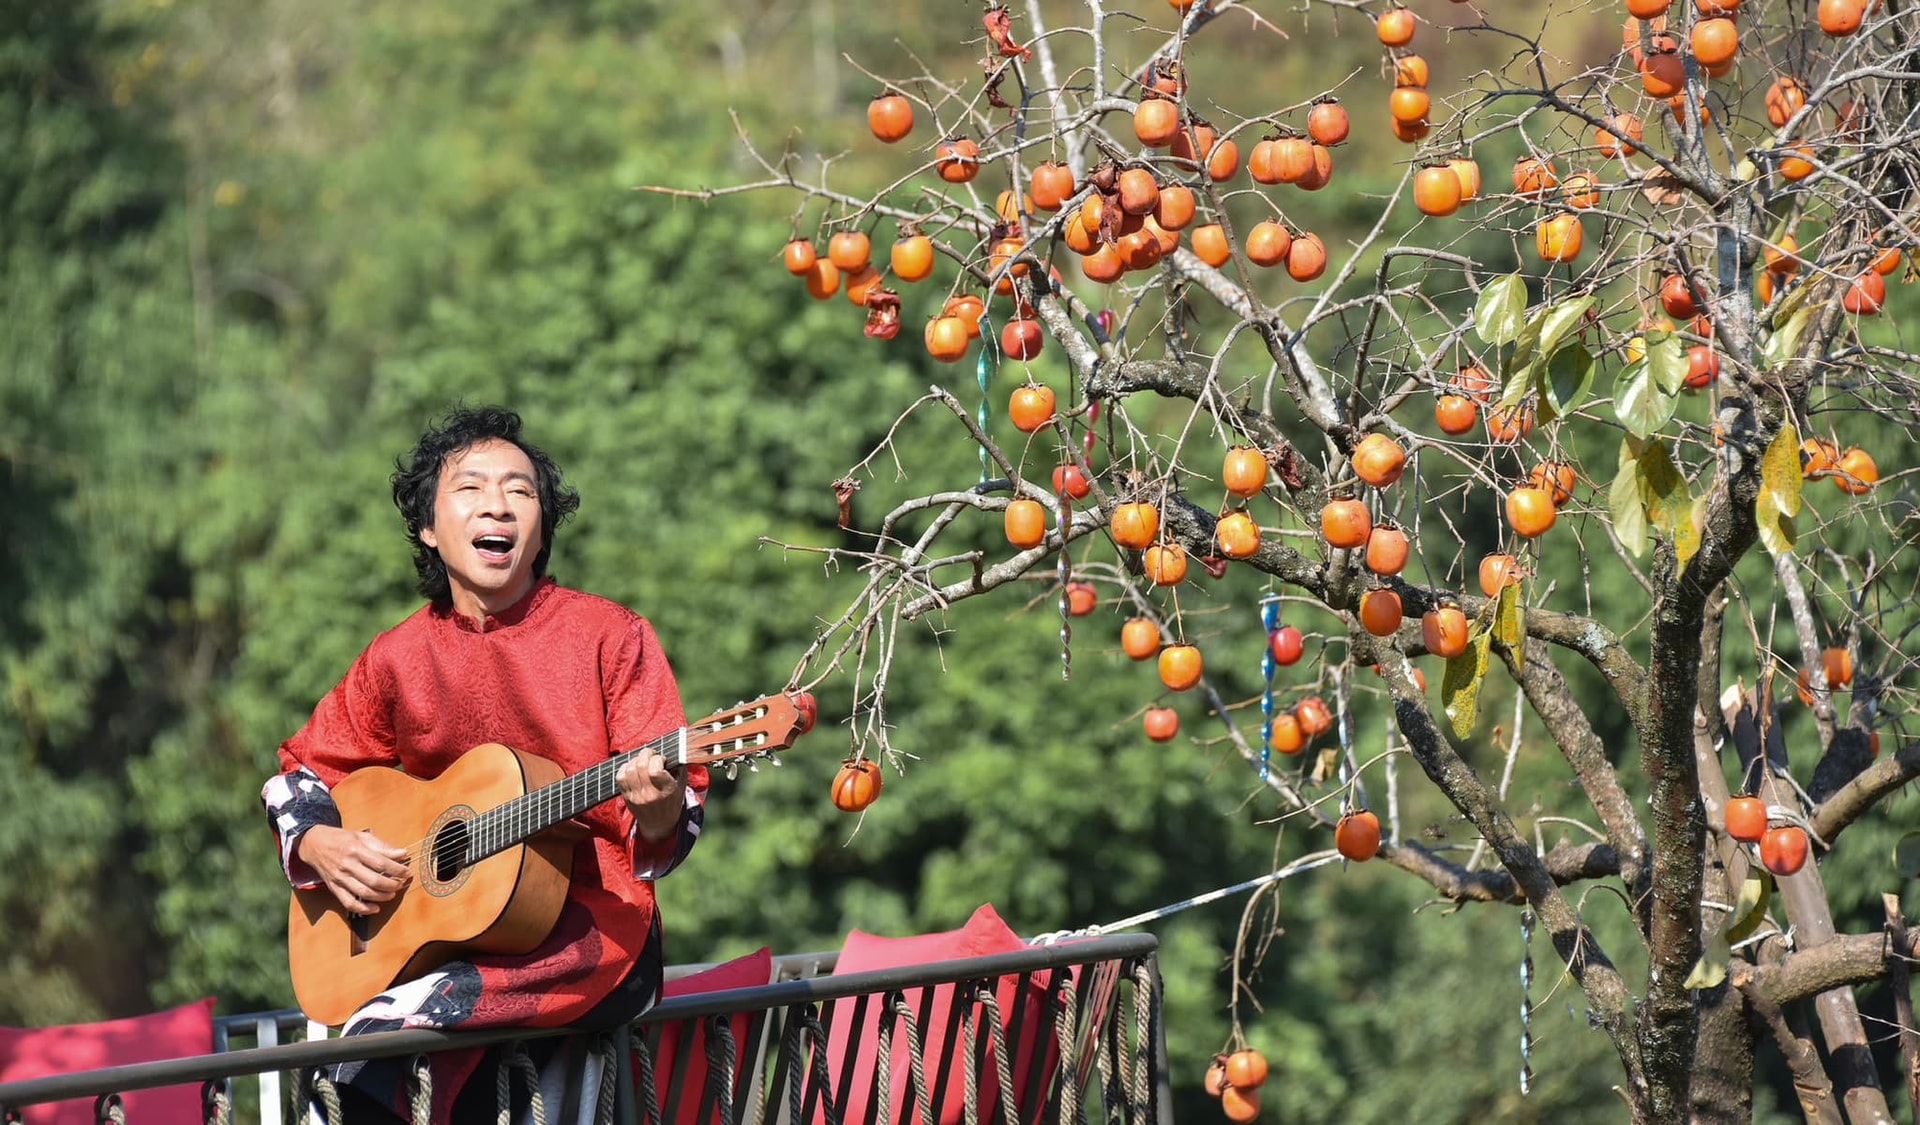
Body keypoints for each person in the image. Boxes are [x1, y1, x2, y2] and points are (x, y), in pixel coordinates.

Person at [261, 405, 706, 1123]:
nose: (496, 502)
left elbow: (671, 825)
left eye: (520, 490)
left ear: (540, 532)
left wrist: (656, 805)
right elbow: (298, 773)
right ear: (430, 529)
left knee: (377, 1046)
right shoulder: (397, 656)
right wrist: (320, 842)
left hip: (594, 935)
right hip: (447, 949)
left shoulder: (611, 634)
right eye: (469, 487)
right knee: (358, 1071)